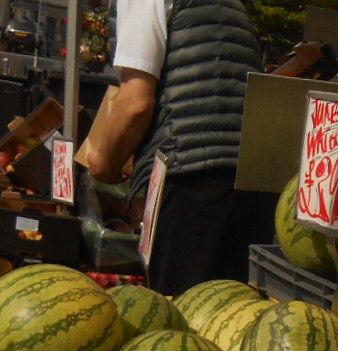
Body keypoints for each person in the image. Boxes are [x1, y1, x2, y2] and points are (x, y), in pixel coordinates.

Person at [83, 0, 264, 294]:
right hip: (249, 181)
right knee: (230, 319)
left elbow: (135, 104)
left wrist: (104, 163)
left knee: (179, 315)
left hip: (188, 181)